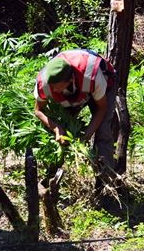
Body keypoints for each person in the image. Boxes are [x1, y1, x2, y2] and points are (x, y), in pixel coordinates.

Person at [33, 49, 117, 200]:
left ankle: (106, 187)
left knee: (103, 132)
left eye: (57, 86)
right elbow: (38, 110)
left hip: (104, 85)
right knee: (63, 134)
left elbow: (101, 108)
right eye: (52, 86)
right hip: (76, 92)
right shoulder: (45, 82)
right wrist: (57, 128)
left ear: (70, 79)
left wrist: (86, 136)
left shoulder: (90, 76)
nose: (53, 90)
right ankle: (50, 179)